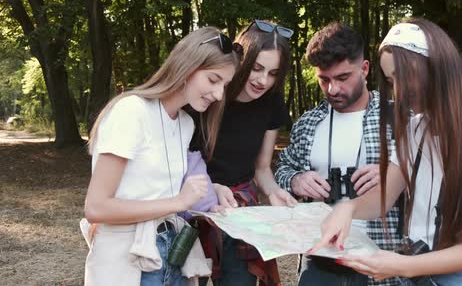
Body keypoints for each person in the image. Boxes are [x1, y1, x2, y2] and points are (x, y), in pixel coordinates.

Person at [311, 18, 462, 286]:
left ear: (439, 68)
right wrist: (348, 208)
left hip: (460, 278)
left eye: (405, 76)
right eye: (391, 81)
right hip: (417, 274)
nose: (399, 92)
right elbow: (384, 198)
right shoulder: (414, 131)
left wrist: (404, 265)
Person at [82, 27, 240, 286]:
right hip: (128, 260)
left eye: (224, 84)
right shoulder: (131, 111)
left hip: (172, 253)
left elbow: (160, 188)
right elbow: (96, 208)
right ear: (187, 66)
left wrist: (215, 189)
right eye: (213, 80)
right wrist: (179, 202)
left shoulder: (186, 123)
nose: (219, 94)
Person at [275, 22, 402, 286]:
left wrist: (394, 175)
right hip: (319, 263)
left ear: (364, 69)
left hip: (381, 263)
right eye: (324, 80)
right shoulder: (309, 123)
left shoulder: (397, 118)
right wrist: (296, 179)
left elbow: (429, 179)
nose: (332, 89)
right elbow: (283, 168)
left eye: (343, 78)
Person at [187, 20, 297, 286]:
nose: (262, 80)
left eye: (273, 73)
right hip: (194, 208)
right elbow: (177, 162)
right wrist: (209, 191)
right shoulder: (208, 96)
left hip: (240, 213)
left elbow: (261, 168)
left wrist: (273, 192)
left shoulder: (273, 104)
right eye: (257, 68)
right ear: (241, 60)